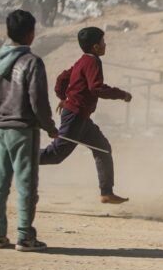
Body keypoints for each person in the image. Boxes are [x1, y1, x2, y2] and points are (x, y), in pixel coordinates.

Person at [0, 9, 58, 251]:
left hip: (1, 127)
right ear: (31, 33)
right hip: (23, 129)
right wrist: (50, 127)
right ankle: (25, 235)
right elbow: (38, 100)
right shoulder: (32, 62)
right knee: (26, 184)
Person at [39, 27, 131, 204]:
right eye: (103, 42)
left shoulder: (82, 60)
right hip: (75, 116)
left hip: (80, 117)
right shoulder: (93, 62)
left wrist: (63, 97)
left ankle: (106, 192)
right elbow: (96, 88)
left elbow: (61, 80)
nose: (106, 45)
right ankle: (19, 158)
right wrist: (122, 94)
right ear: (96, 47)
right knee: (56, 154)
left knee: (102, 148)